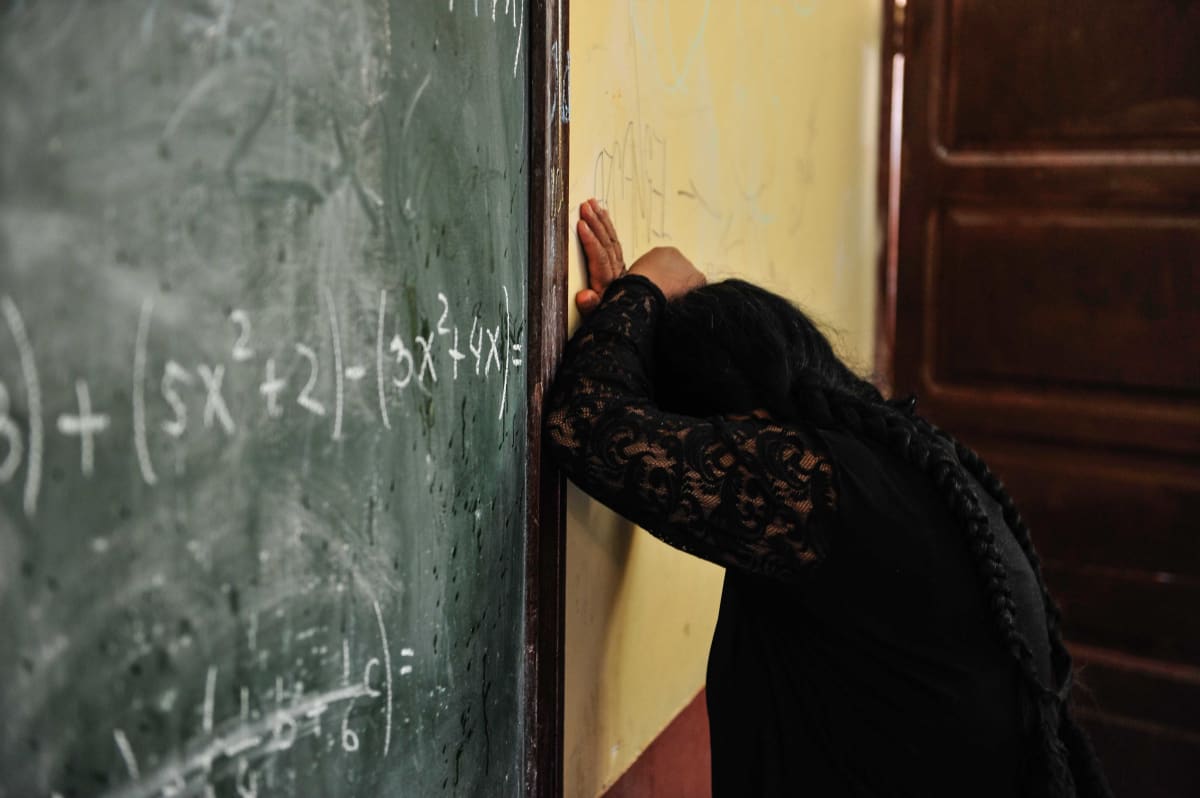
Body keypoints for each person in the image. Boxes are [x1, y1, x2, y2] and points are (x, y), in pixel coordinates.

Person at [545, 200, 1112, 798]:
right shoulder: (894, 462)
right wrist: (625, 334)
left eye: (707, 437)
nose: (708, 453)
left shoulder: (810, 483)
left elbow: (588, 427)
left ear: (744, 418)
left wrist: (645, 285)